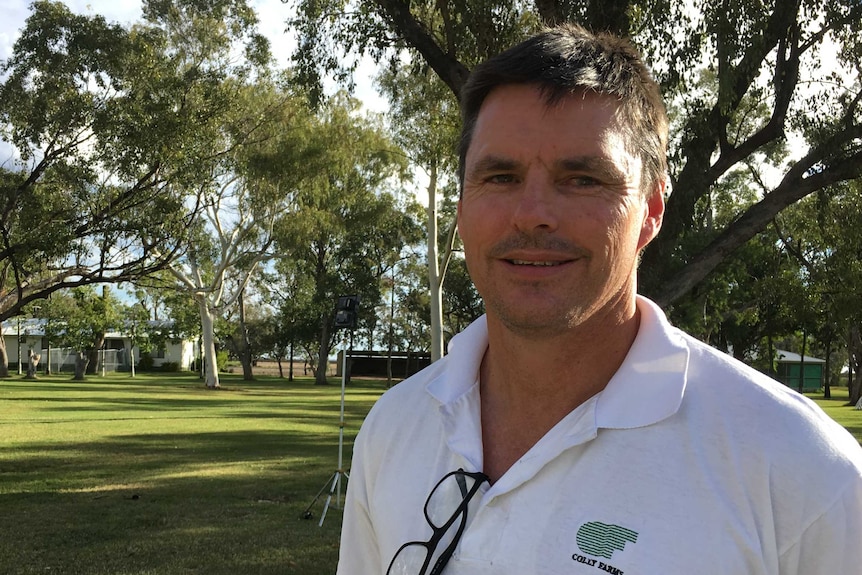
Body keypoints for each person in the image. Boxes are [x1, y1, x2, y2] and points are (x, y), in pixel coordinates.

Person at [336, 24, 862, 575]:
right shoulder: (394, 428)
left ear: (652, 211)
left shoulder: (801, 472)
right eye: (500, 176)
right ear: (463, 207)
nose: (532, 213)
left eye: (583, 179)